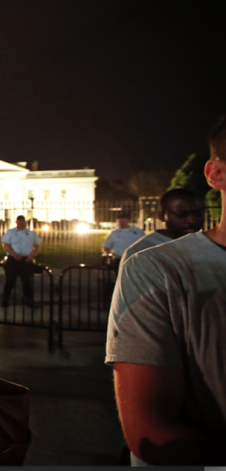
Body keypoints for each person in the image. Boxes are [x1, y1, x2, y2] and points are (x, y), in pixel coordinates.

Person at [106, 117, 226, 465]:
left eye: (193, 213)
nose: (189, 218)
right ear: (216, 174)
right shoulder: (152, 266)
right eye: (181, 213)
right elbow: (151, 431)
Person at [120, 189, 204, 266]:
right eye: (181, 215)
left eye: (198, 214)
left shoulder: (207, 246)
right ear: (161, 216)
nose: (192, 220)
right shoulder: (140, 252)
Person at [0, 215, 42, 309]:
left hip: (26, 260)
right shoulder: (11, 232)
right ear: (16, 222)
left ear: (25, 223)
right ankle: (5, 300)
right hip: (13, 260)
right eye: (19, 222)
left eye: (22, 222)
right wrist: (15, 255)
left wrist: (32, 255)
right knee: (9, 281)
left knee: (27, 282)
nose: (21, 224)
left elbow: (37, 246)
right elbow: (6, 245)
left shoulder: (31, 233)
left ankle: (29, 301)